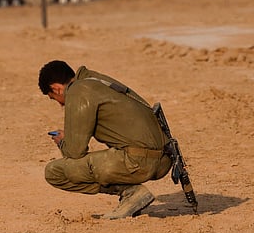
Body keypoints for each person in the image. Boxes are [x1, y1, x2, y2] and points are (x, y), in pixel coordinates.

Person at [38, 60, 173, 219]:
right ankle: (133, 193)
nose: (60, 104)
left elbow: (74, 152)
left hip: (139, 162)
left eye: (53, 98)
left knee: (55, 172)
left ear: (56, 88)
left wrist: (62, 141)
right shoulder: (95, 80)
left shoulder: (78, 91)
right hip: (164, 159)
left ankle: (131, 193)